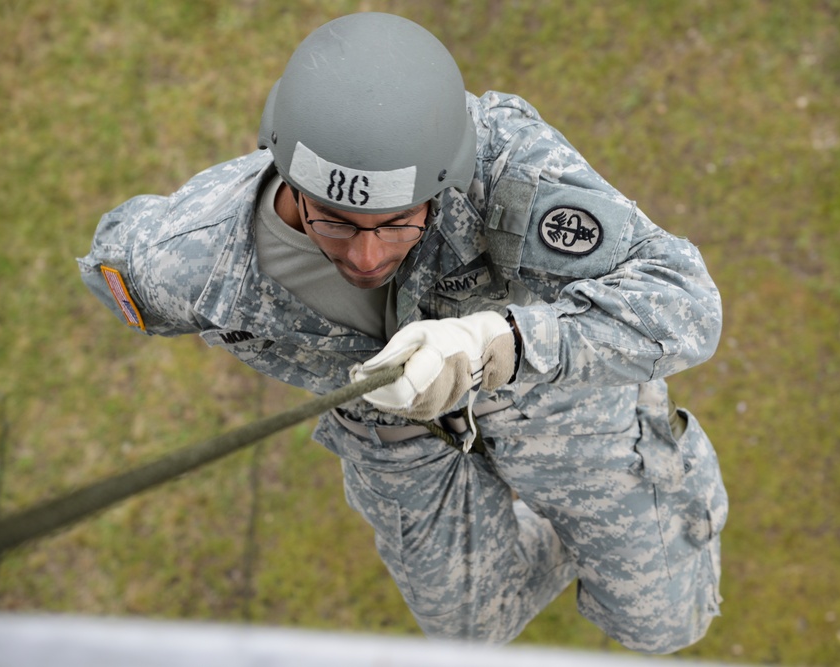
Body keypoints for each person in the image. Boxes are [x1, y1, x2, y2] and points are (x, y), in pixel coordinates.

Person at [78, 12, 727, 654]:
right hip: (396, 440)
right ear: (286, 175)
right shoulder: (191, 258)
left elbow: (683, 300)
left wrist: (498, 346)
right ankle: (570, 534)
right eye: (332, 221)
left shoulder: (505, 170)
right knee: (474, 634)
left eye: (396, 223)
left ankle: (642, 480)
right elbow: (118, 261)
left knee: (661, 625)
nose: (364, 258)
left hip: (549, 401)